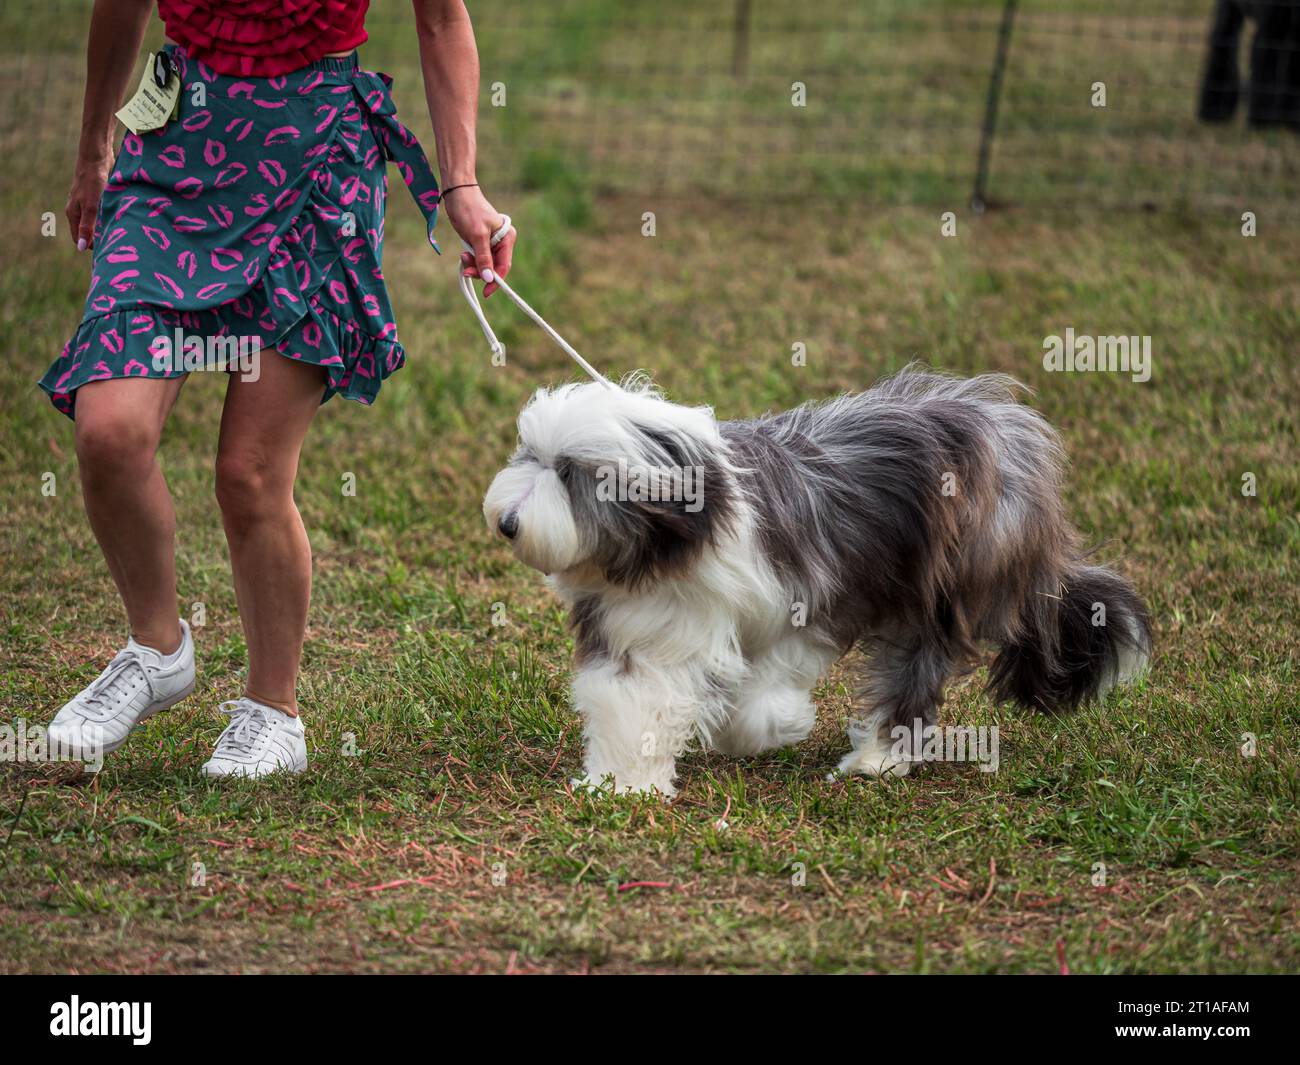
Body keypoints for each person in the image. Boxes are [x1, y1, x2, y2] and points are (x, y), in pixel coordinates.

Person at [42, 0, 514, 777]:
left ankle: (273, 710)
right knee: (109, 431)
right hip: (175, 149)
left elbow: (440, 19)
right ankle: (157, 646)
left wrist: (461, 184)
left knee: (250, 473)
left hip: (315, 161)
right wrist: (93, 146)